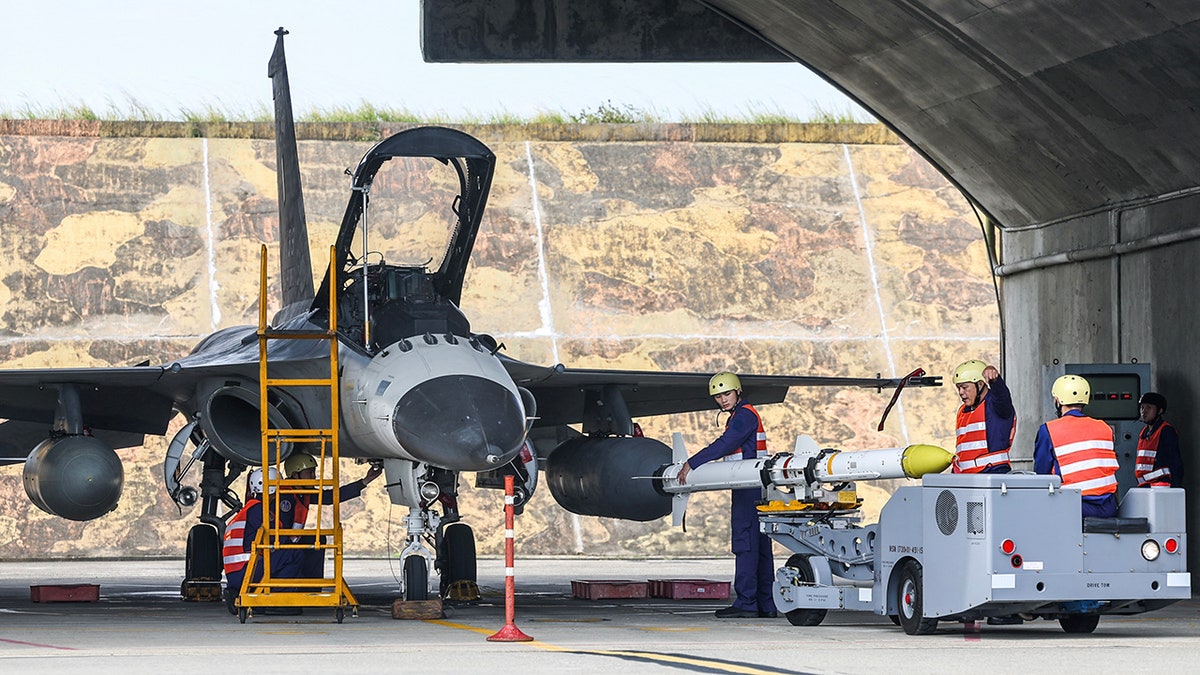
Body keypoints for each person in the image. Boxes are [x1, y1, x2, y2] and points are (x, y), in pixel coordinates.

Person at [676, 372, 777, 619]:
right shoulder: (744, 414)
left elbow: (726, 443)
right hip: (757, 484)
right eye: (718, 396)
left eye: (726, 394)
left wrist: (692, 463)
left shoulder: (743, 416)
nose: (722, 400)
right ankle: (767, 604)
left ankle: (746, 603)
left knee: (745, 543)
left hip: (747, 486)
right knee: (761, 546)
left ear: (738, 392)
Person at [276, 453, 383, 579]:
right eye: (310, 472)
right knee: (300, 552)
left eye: (314, 472)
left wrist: (365, 481)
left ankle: (312, 586)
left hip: (291, 541)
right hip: (280, 544)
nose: (314, 476)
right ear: (295, 475)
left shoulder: (302, 491)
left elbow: (329, 497)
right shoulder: (285, 495)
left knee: (317, 540)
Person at [1033, 375, 1119, 518]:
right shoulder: (1105, 427)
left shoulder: (1048, 429)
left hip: (1072, 506)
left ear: (1058, 400)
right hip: (1108, 507)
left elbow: (1042, 474)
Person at [222, 467, 291, 614]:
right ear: (271, 488)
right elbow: (278, 536)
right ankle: (277, 601)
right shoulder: (260, 511)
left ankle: (243, 592)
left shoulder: (248, 509)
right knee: (293, 553)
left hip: (236, 573)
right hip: (246, 571)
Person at [951, 359, 1014, 474]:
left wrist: (995, 381)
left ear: (980, 384)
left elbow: (1002, 397)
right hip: (966, 478)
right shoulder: (962, 411)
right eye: (958, 388)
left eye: (965, 387)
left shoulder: (995, 405)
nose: (960, 392)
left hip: (993, 473)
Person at [1136, 392, 1184, 488]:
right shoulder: (1144, 432)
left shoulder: (1166, 431)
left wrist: (1175, 489)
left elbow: (1175, 464)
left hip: (1162, 487)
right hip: (1146, 487)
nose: (1144, 411)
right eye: (1142, 407)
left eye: (1149, 407)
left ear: (1160, 411)